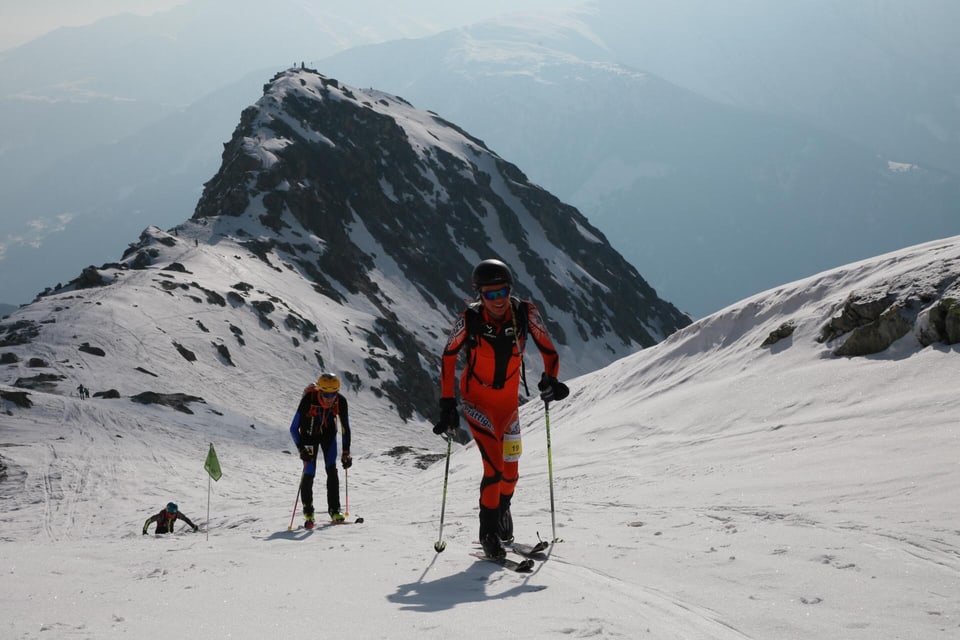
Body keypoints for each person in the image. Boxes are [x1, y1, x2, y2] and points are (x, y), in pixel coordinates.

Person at [433, 258, 569, 558]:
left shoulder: (525, 312)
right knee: (493, 469)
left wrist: (551, 379)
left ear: (511, 290)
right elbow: (448, 357)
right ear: (479, 295)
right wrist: (447, 403)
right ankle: (488, 533)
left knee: (511, 474)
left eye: (503, 292)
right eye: (490, 294)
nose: (498, 300)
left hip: (508, 408)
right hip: (476, 402)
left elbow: (549, 350)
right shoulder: (469, 319)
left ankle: (502, 512)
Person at [289, 372, 353, 529]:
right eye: (326, 394)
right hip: (308, 436)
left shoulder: (340, 401)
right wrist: (301, 449)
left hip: (328, 435)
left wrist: (346, 452)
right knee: (309, 471)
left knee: (332, 469)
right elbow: (293, 428)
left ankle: (335, 510)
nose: (330, 398)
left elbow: (345, 428)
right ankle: (308, 512)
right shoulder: (308, 400)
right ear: (320, 391)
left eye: (333, 394)